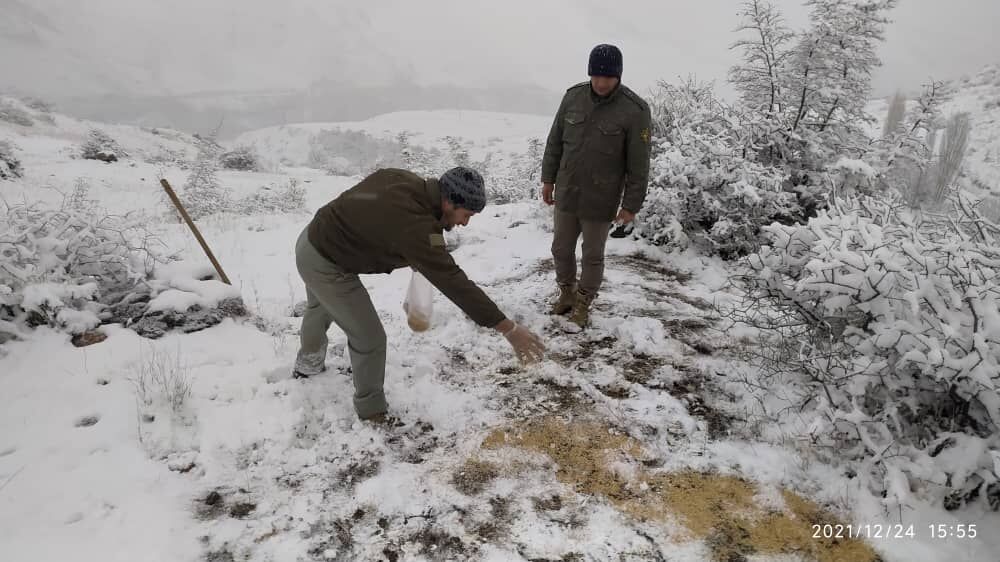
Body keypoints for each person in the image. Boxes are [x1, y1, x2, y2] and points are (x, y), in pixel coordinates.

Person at [291, 166, 546, 423]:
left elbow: (389, 217)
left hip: (313, 237)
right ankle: (372, 412)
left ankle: (307, 365)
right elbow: (453, 281)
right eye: (465, 214)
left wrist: (413, 255)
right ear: (448, 201)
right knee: (369, 337)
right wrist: (508, 329)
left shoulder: (405, 181)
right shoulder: (416, 224)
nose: (465, 223)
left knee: (320, 307)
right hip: (326, 262)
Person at [540, 43, 653, 330]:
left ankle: (583, 302)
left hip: (600, 198)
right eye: (596, 76)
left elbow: (638, 164)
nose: (601, 82)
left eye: (608, 77)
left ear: (619, 75)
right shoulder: (573, 97)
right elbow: (555, 141)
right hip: (567, 190)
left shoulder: (635, 110)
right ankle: (566, 293)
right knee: (560, 249)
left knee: (592, 255)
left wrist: (630, 206)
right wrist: (548, 179)